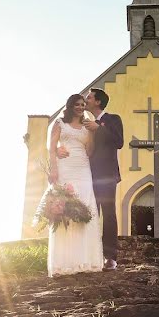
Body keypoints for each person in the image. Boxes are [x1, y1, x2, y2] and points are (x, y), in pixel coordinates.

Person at [46, 94, 104, 276]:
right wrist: (54, 169)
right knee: (66, 211)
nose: (80, 107)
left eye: (82, 104)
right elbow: (51, 147)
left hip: (83, 169)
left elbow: (90, 150)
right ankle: (64, 262)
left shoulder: (88, 126)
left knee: (86, 209)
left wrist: (93, 134)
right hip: (65, 168)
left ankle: (85, 260)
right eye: (77, 104)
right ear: (70, 106)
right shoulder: (59, 124)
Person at [84, 87, 124, 270]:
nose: (86, 99)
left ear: (98, 101)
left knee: (108, 215)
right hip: (87, 175)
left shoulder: (112, 119)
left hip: (107, 175)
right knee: (90, 214)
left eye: (89, 97)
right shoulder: (85, 122)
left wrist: (98, 128)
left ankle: (110, 258)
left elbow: (119, 141)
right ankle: (88, 255)